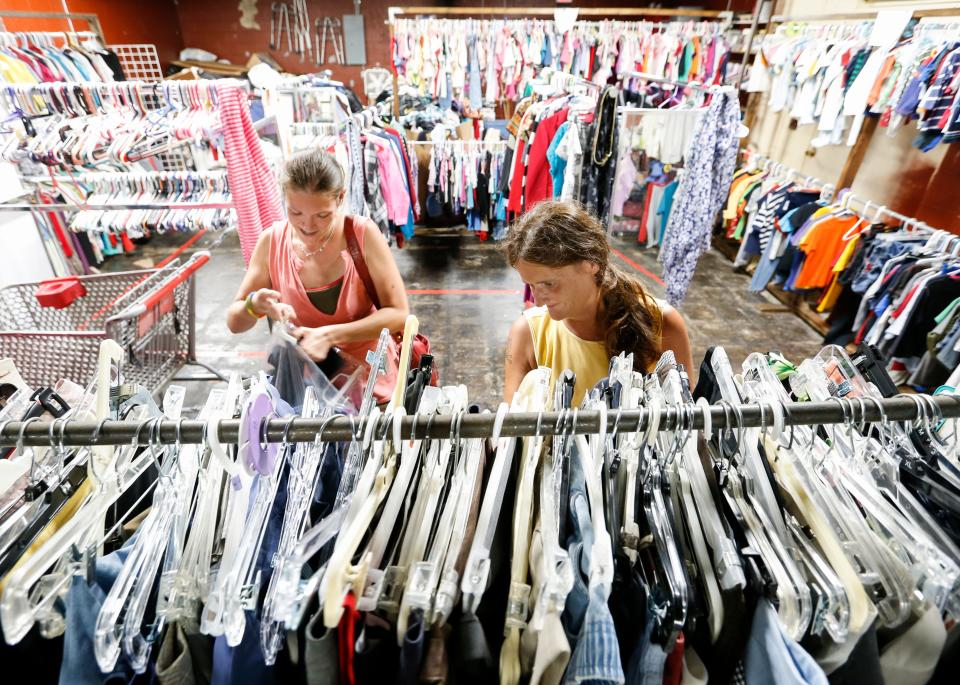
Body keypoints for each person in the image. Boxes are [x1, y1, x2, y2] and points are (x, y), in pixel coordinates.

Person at [227, 148, 408, 403]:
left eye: (322, 215)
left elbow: (399, 315)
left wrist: (329, 335)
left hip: (370, 386)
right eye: (295, 213)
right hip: (305, 390)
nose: (307, 226)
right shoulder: (272, 242)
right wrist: (253, 305)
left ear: (340, 198)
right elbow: (235, 322)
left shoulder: (361, 236)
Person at [503, 200, 693, 405]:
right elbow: (510, 433)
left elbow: (685, 428)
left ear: (592, 264)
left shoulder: (662, 323)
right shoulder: (528, 333)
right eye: (530, 286)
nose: (538, 301)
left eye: (549, 284)